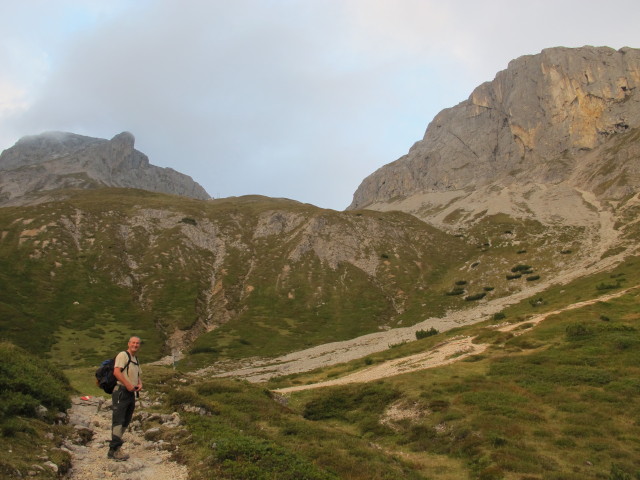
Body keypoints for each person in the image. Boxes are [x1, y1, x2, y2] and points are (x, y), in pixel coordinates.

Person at [108, 336, 142, 461]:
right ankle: (115, 450)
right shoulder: (123, 355)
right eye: (133, 342)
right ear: (128, 344)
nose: (135, 345)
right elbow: (117, 372)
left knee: (126, 420)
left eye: (137, 343)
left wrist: (140, 384)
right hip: (121, 391)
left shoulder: (135, 359)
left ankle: (113, 449)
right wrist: (127, 384)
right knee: (119, 420)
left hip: (130, 393)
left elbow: (138, 375)